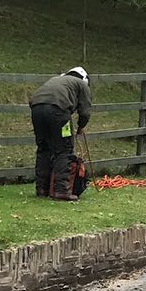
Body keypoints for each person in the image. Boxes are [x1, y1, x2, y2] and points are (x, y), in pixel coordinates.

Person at [29, 67, 92, 200]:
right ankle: (61, 190)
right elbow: (85, 112)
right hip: (58, 111)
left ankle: (42, 189)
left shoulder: (57, 80)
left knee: (44, 148)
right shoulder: (82, 84)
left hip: (37, 110)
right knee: (64, 149)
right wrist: (81, 126)